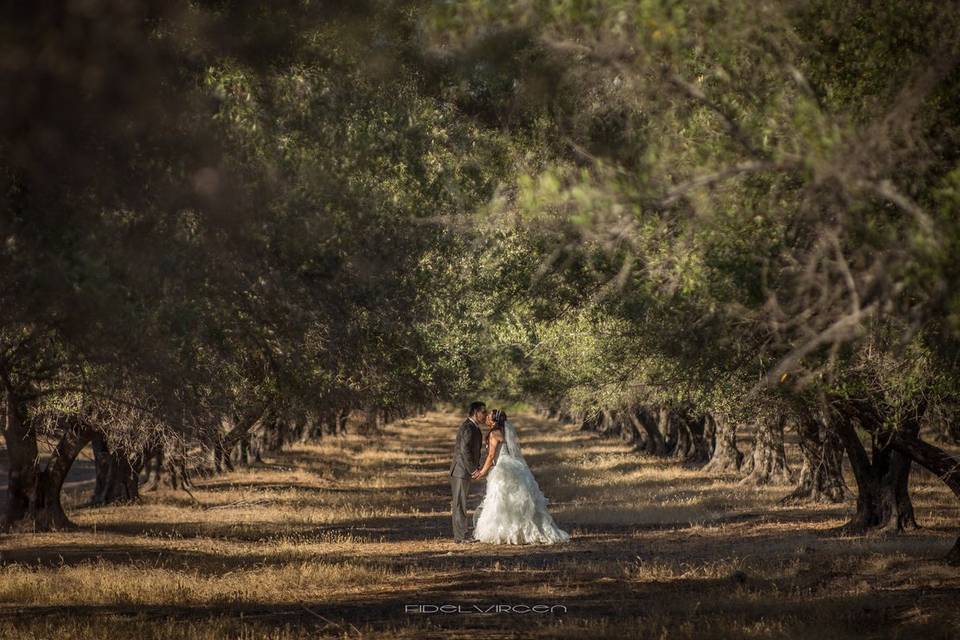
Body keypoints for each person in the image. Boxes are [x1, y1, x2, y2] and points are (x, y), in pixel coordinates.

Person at [470, 409, 570, 544]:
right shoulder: (504, 432)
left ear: (494, 420)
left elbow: (491, 456)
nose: (486, 418)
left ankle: (503, 533)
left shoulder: (494, 433)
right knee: (513, 500)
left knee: (500, 500)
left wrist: (482, 471)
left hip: (502, 468)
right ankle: (520, 532)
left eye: (489, 417)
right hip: (512, 466)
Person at [449, 401, 487, 543]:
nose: (485, 415)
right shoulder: (468, 427)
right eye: (483, 412)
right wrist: (473, 469)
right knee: (459, 504)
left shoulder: (474, 427)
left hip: (465, 471)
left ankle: (462, 535)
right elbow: (464, 451)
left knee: (462, 503)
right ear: (475, 412)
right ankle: (460, 538)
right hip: (460, 471)